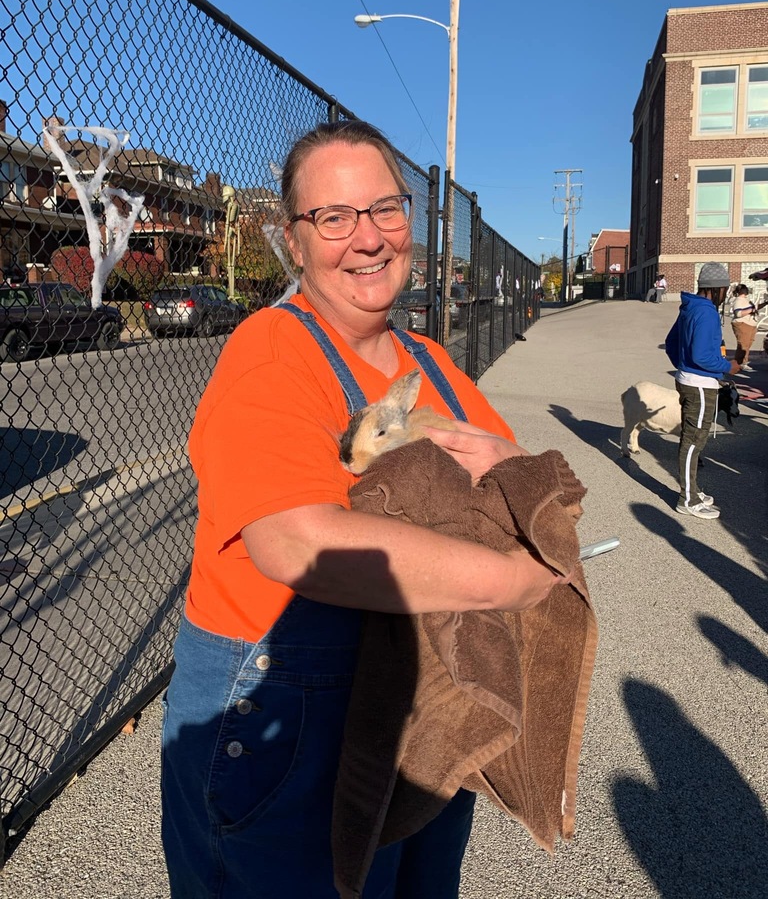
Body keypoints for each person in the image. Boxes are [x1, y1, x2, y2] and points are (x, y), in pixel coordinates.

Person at [160, 120, 572, 899]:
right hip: (282, 713)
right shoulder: (271, 354)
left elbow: (524, 492)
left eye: (385, 209)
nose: (367, 239)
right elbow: (294, 541)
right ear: (295, 240)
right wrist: (510, 583)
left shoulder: (432, 367)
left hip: (417, 713)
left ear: (410, 220)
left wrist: (517, 467)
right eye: (334, 218)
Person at [665, 262, 741, 520]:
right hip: (699, 384)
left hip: (689, 380)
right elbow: (702, 355)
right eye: (726, 289)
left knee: (693, 439)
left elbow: (671, 343)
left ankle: (693, 491)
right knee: (694, 441)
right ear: (717, 288)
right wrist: (727, 367)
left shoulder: (689, 307)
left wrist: (682, 366)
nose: (726, 294)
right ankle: (688, 499)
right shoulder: (707, 312)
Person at [730, 283, 767, 372]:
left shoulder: (746, 300)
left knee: (747, 345)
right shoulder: (738, 300)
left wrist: (764, 303)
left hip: (750, 324)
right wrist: (751, 310)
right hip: (743, 324)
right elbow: (738, 313)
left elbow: (754, 308)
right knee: (743, 345)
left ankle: (742, 363)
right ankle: (740, 363)